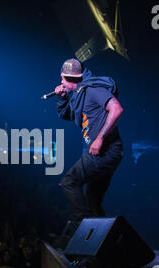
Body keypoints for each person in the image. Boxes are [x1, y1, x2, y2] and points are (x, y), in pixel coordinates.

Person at [54, 58, 124, 223]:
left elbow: (117, 109)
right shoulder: (79, 94)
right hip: (104, 153)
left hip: (105, 151)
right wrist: (63, 98)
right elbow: (68, 115)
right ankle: (103, 244)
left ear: (72, 79)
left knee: (69, 181)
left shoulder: (92, 89)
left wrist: (100, 138)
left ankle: (82, 225)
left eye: (63, 79)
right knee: (92, 200)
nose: (61, 82)